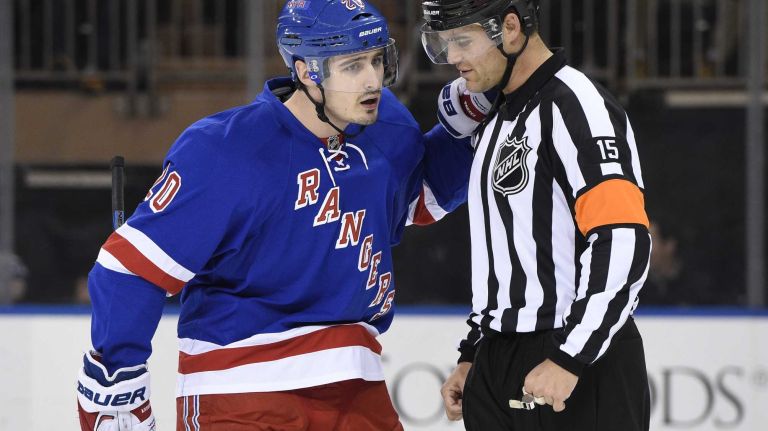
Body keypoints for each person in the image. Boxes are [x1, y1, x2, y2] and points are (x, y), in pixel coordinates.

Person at [75, 1, 489, 430]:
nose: (372, 80)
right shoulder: (225, 150)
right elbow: (131, 269)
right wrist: (116, 381)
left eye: (376, 59)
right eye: (351, 66)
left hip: (355, 386)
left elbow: (416, 199)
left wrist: (465, 130)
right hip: (240, 391)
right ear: (307, 72)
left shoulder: (388, 127)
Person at [420, 1, 653, 430]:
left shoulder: (578, 107)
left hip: (574, 360)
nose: (452, 57)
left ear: (510, 28)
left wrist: (572, 357)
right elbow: (507, 252)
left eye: (461, 40)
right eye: (443, 42)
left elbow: (622, 238)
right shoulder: (495, 119)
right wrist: (475, 351)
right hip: (497, 360)